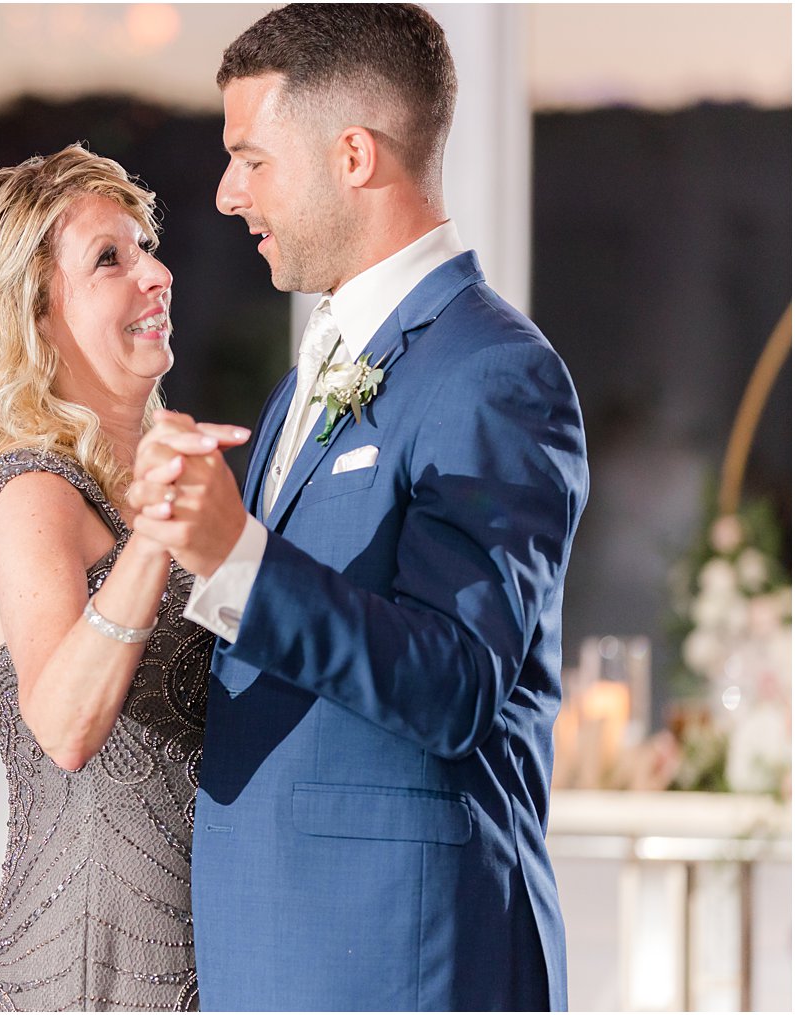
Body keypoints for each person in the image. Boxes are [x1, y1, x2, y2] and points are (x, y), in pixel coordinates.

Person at [123, 5, 589, 1010]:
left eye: (249, 159)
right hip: (277, 945)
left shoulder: (494, 373)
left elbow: (457, 683)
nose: (223, 192)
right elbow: (266, 646)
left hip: (396, 956)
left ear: (350, 155)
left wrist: (235, 554)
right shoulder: (314, 373)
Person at [0, 145, 245, 1011]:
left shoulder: (170, 486)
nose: (157, 272)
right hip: (92, 960)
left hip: (212, 942)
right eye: (110, 259)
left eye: (145, 247)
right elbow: (61, 724)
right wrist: (154, 542)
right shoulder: (32, 493)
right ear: (35, 316)